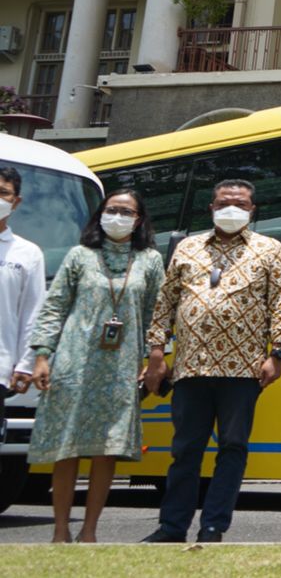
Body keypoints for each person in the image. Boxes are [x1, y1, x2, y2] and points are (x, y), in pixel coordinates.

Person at [142, 178, 281, 544]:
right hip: (191, 367)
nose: (232, 209)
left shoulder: (269, 249)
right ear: (211, 208)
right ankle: (172, 527)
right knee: (185, 450)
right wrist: (157, 353)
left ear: (252, 210)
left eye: (240, 204)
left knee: (233, 448)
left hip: (242, 370)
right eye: (224, 203)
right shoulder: (187, 248)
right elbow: (165, 304)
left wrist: (278, 353)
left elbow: (280, 304)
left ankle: (213, 526)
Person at [26, 190, 164, 542]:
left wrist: (153, 358)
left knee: (107, 450)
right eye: (111, 209)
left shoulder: (149, 260)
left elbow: (156, 314)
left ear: (139, 219)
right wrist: (42, 354)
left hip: (122, 366)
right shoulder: (79, 255)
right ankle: (60, 531)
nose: (118, 216)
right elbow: (55, 306)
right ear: (100, 215)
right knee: (66, 446)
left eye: (126, 211)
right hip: (73, 360)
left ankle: (89, 531)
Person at [0, 167, 46, 399]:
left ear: (16, 202)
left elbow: (33, 313)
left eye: (3, 193)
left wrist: (26, 364)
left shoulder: (28, 253)